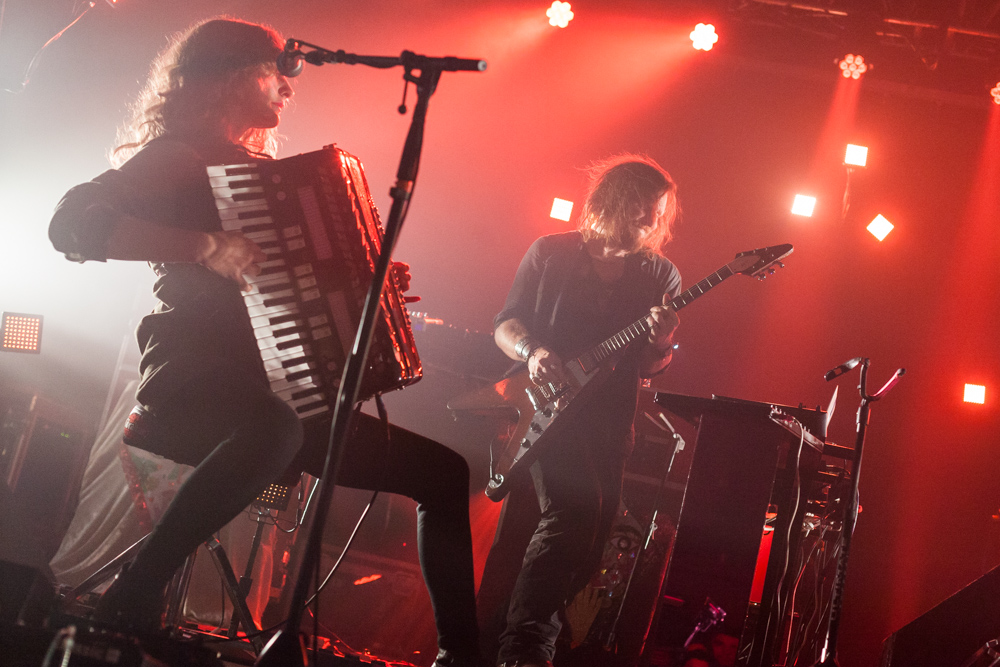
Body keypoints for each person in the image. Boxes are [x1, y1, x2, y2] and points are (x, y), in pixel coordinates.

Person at [48, 17, 480, 667]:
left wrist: (372, 284)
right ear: (226, 76)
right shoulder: (179, 153)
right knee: (276, 429)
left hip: (281, 390)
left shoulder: (266, 176)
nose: (288, 85)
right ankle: (131, 596)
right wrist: (204, 245)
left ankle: (463, 655)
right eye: (273, 70)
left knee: (443, 474)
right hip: (193, 377)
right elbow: (72, 225)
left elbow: (297, 289)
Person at [490, 154, 682, 667]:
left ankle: (529, 640)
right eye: (644, 206)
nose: (652, 219)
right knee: (570, 516)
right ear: (615, 200)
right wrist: (534, 352)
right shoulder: (550, 253)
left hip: (610, 420)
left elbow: (648, 366)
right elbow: (505, 324)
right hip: (545, 409)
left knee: (596, 531)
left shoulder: (660, 273)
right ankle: (525, 650)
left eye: (659, 211)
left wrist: (663, 342)